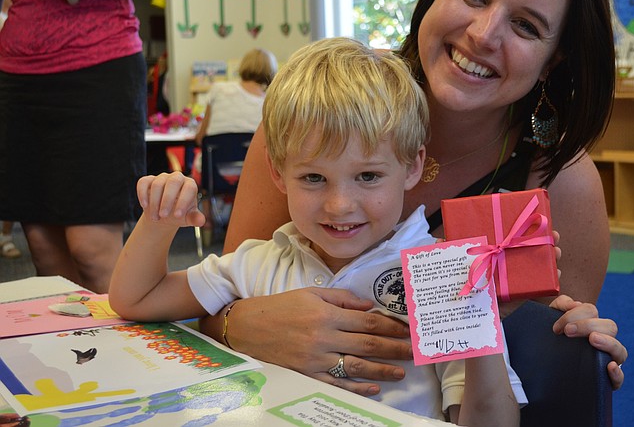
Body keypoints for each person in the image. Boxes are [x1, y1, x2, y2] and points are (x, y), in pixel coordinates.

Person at [200, 0, 629, 395]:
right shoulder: (320, 116)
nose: (483, 34)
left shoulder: (561, 184)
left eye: (526, 26)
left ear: (554, 61)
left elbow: (541, 376)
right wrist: (238, 325)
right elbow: (217, 307)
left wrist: (577, 356)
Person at [110, 38, 522, 425]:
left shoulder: (445, 276)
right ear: (277, 173)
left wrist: (478, 324)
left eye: (367, 176)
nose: (340, 205)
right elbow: (136, 299)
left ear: (413, 166)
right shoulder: (261, 262)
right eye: (313, 178)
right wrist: (159, 221)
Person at [0, 0, 171, 293]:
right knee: (44, 248)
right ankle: (76, 338)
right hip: (19, 83)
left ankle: (124, 335)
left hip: (97, 76)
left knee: (91, 249)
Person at [192, 48, 278, 146]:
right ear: (271, 71)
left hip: (216, 154)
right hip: (250, 154)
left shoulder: (218, 89)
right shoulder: (268, 104)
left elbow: (200, 138)